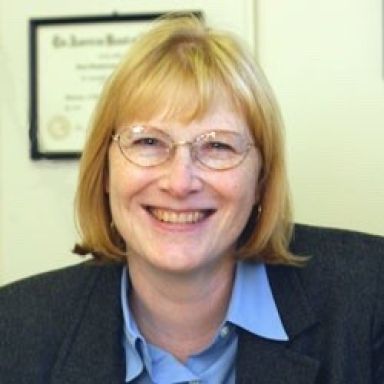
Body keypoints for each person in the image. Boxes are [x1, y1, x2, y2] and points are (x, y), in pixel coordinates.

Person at [0, 14, 383, 384]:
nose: (180, 182)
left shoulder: (370, 300)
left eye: (217, 145)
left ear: (261, 179)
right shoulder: (13, 331)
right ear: (105, 170)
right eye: (148, 142)